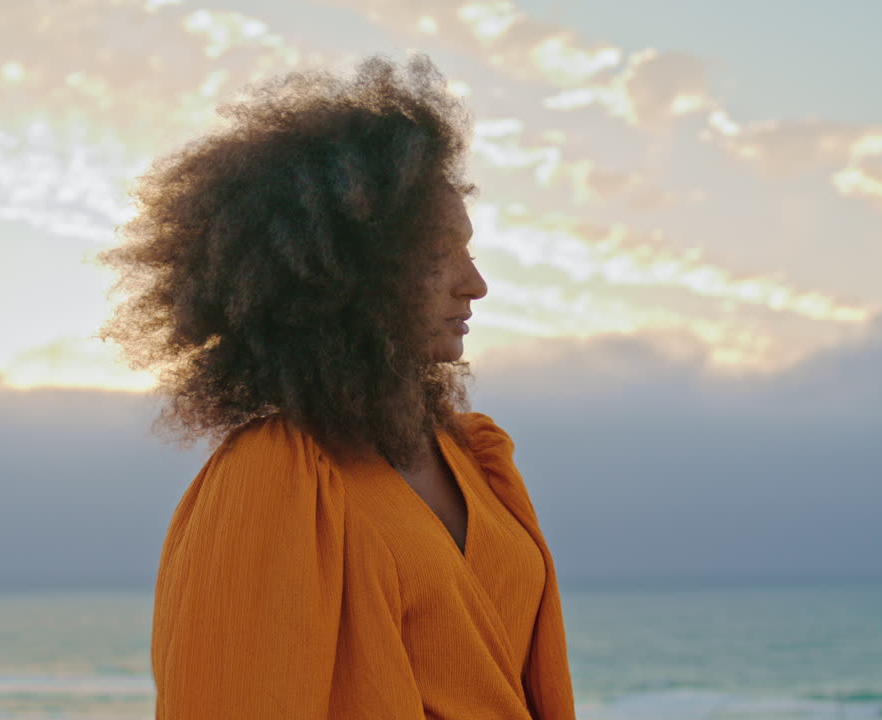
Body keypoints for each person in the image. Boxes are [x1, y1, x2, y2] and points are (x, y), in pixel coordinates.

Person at [101, 54, 575, 719]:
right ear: (341, 275)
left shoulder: (480, 458)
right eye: (439, 256)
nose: (474, 284)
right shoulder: (275, 476)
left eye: (469, 251)